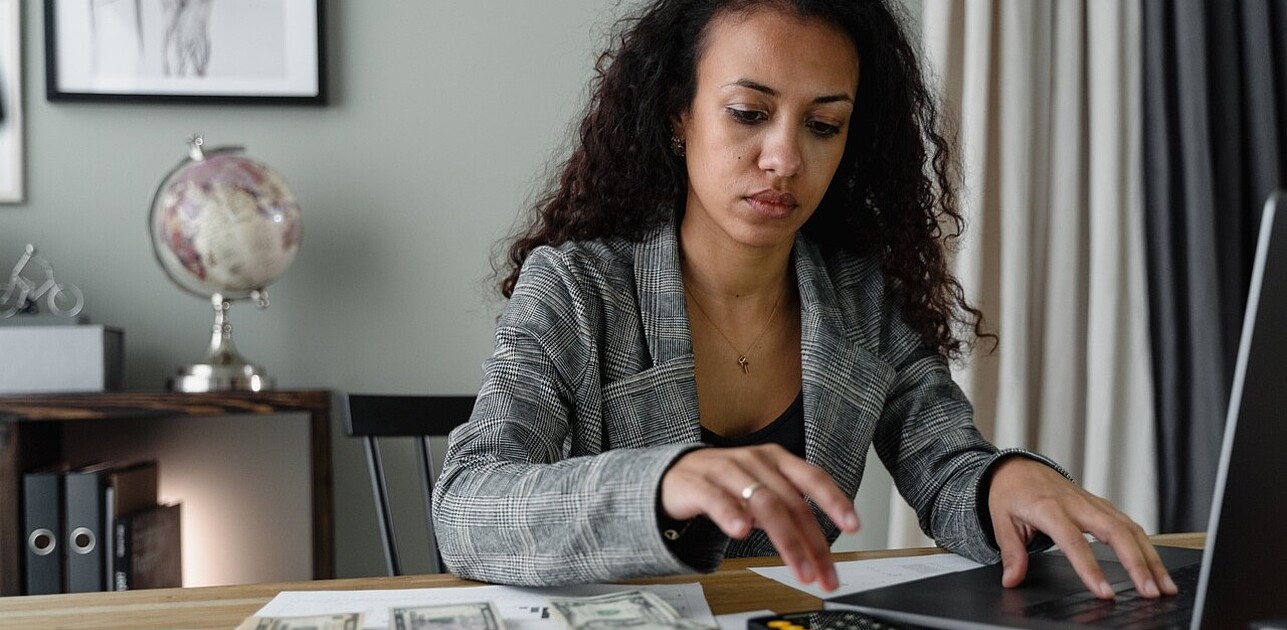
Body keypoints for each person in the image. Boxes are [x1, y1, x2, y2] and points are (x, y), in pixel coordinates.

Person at [431, 0, 1176, 601]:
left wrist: (1002, 480)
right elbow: (467, 505)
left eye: (823, 125)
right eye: (748, 113)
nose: (785, 158)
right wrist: (660, 483)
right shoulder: (577, 288)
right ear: (677, 116)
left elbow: (945, 468)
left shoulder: (859, 300)